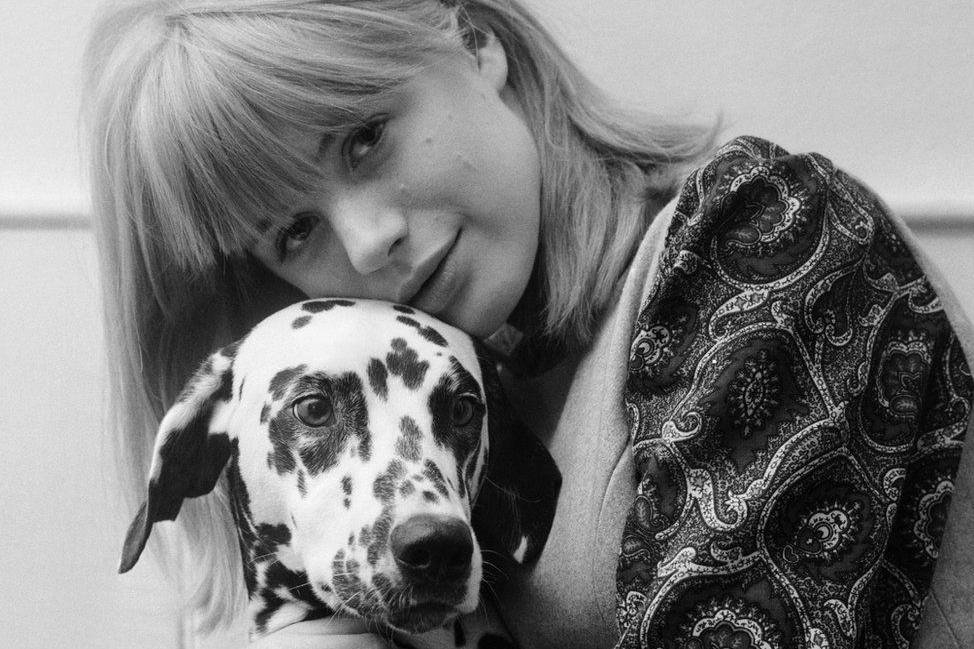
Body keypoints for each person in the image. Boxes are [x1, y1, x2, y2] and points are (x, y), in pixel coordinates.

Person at [81, 1, 974, 647]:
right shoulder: (458, 402)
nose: (367, 243)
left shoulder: (765, 236)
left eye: (364, 137)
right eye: (294, 230)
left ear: (473, 39)